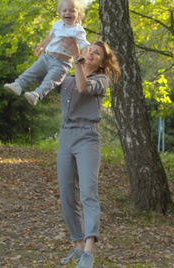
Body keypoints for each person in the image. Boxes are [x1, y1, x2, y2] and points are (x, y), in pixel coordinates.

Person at [55, 38, 120, 268]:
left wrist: (77, 61)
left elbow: (82, 87)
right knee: (66, 194)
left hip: (87, 137)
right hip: (66, 136)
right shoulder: (67, 76)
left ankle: (90, 249)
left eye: (97, 53)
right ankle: (78, 245)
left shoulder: (101, 79)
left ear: (102, 63)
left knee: (88, 192)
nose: (91, 54)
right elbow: (49, 78)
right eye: (89, 50)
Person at [3, 0, 90, 106]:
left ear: (79, 14)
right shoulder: (57, 25)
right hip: (48, 57)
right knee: (31, 70)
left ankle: (37, 95)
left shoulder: (78, 30)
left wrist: (84, 56)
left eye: (72, 11)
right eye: (64, 10)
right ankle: (18, 85)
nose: (67, 13)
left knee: (50, 80)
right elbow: (50, 37)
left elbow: (85, 45)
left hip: (62, 63)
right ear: (59, 13)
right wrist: (41, 46)